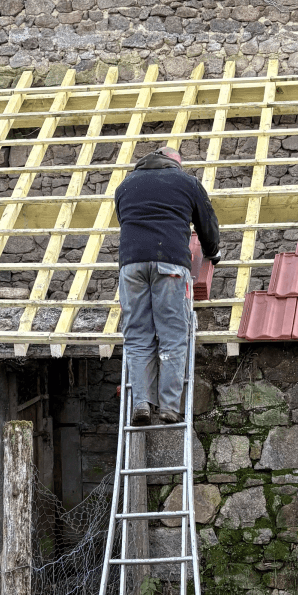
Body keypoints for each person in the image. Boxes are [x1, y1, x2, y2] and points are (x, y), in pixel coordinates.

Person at [114, 146, 220, 424]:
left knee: (137, 337)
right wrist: (213, 251)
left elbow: (125, 220)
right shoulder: (186, 182)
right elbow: (206, 224)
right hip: (170, 265)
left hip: (131, 267)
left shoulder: (125, 185)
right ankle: (170, 407)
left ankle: (141, 403)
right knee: (173, 335)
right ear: (175, 163)